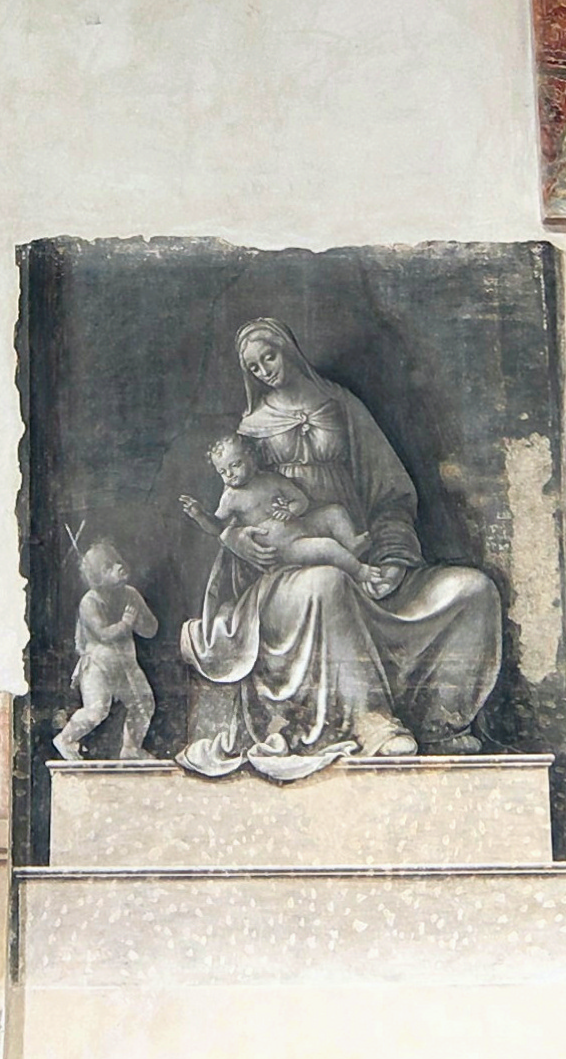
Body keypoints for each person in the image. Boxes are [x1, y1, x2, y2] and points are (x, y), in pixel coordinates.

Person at [177, 319, 502, 777]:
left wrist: (391, 557)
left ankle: (439, 722)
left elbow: (391, 493)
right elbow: (233, 518)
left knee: (472, 590)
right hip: (285, 573)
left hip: (367, 559)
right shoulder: (248, 432)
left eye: (269, 356)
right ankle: (372, 720)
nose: (265, 370)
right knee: (327, 583)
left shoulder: (342, 406)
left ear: (288, 348)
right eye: (253, 367)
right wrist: (240, 543)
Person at [53, 536, 158, 760]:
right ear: (97, 577)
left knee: (143, 704)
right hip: (98, 666)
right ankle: (66, 739)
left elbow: (151, 629)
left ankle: (131, 748)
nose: (119, 567)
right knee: (95, 710)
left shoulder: (131, 594)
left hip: (126, 665)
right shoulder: (89, 602)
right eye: (109, 566)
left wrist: (140, 621)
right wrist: (125, 624)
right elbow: (102, 634)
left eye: (118, 561)